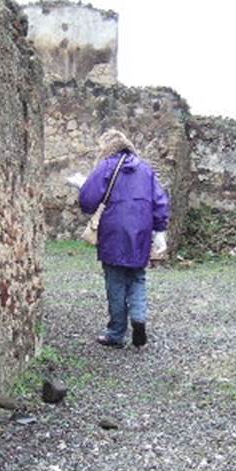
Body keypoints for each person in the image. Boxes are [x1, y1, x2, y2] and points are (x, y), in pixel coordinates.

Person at [79, 129, 170, 348]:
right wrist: (160, 231)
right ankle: (138, 318)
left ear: (107, 148)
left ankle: (116, 333)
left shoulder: (107, 166)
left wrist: (81, 185)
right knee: (137, 276)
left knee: (116, 281)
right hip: (141, 230)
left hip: (114, 231)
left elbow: (88, 201)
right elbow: (160, 201)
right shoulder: (146, 170)